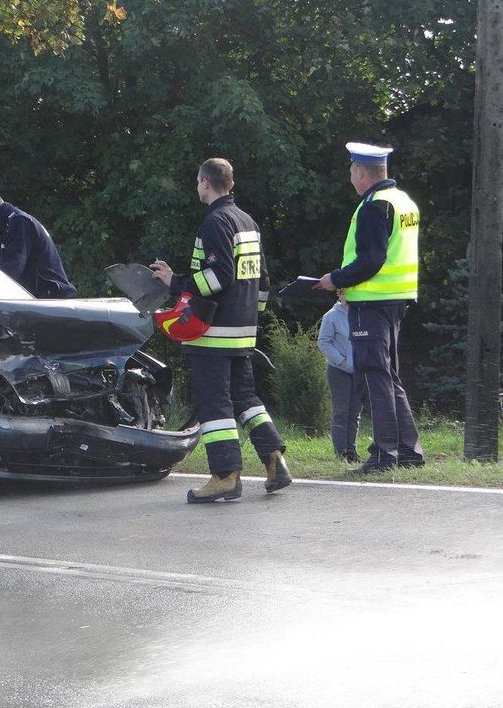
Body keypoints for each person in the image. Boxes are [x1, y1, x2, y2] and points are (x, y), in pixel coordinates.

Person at [151, 158, 291, 503]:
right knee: (247, 400)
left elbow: (217, 278)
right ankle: (275, 462)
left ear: (205, 182)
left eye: (197, 182)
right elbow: (262, 282)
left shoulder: (215, 222)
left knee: (215, 406)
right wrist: (250, 320)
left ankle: (225, 476)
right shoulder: (247, 221)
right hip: (243, 332)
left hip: (213, 334)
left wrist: (175, 282)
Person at [314, 142, 423, 473]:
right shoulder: (403, 201)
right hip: (396, 299)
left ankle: (383, 454)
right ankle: (408, 452)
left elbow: (371, 259)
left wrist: (336, 278)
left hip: (371, 302)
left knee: (375, 375)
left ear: (361, 173)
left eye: (351, 173)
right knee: (389, 375)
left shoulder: (374, 206)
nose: (351, 179)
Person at [0, 188, 77, 298]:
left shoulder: (20, 222)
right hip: (36, 301)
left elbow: (10, 272)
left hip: (52, 301)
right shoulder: (0, 232)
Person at [318, 291, 364, 463]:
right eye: (344, 292)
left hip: (359, 370)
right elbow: (323, 342)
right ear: (339, 295)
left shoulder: (360, 313)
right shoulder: (331, 316)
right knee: (342, 411)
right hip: (339, 370)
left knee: (355, 412)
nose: (347, 295)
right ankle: (341, 452)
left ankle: (351, 451)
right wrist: (341, 360)